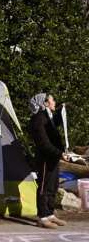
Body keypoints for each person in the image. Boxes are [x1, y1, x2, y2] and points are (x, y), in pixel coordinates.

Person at [29, 93, 68, 229]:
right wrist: (59, 153)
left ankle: (50, 213)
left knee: (53, 185)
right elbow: (44, 143)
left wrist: (61, 111)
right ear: (45, 103)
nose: (54, 102)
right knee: (44, 187)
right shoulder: (38, 119)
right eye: (52, 100)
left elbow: (53, 123)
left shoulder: (47, 116)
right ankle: (42, 216)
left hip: (53, 157)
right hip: (45, 158)